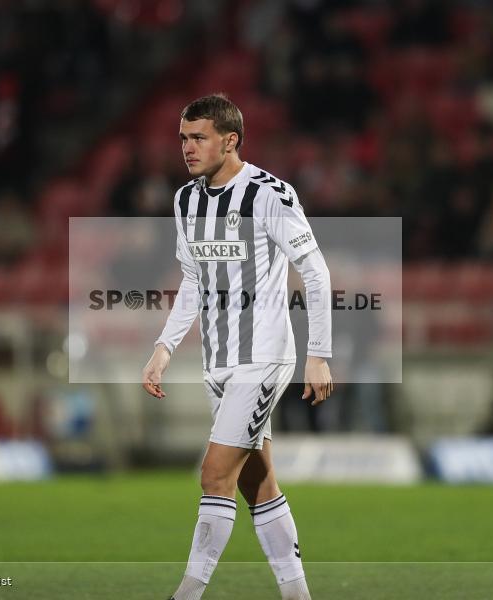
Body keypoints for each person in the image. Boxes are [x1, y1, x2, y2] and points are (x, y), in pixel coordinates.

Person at [141, 94, 333, 600]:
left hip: (265, 355)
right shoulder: (186, 200)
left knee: (214, 473)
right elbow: (192, 281)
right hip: (218, 362)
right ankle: (298, 595)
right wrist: (164, 347)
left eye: (198, 137)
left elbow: (314, 270)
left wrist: (318, 353)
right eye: (183, 137)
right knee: (258, 485)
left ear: (230, 140)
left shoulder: (271, 194)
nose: (187, 147)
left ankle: (186, 593)